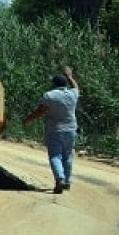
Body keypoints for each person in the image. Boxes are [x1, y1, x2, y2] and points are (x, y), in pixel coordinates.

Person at [22, 65, 79, 194]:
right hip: (71, 129)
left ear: (54, 84)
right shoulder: (73, 94)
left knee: (55, 155)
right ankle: (67, 181)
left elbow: (41, 111)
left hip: (55, 130)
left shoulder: (50, 95)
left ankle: (60, 178)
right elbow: (75, 86)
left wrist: (28, 119)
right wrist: (70, 76)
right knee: (68, 156)